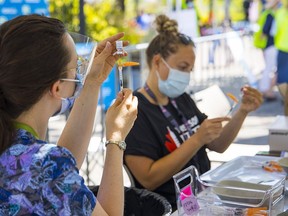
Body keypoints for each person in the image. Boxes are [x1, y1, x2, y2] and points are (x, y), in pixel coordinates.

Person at [0, 14, 138, 215]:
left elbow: (59, 172)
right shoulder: (47, 163)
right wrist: (116, 139)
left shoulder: (22, 149)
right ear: (56, 88)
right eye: (77, 67)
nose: (79, 74)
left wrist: (93, 82)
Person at [124, 14, 263, 211]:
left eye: (190, 69)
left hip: (203, 200)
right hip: (168, 208)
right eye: (182, 68)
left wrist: (242, 111)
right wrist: (196, 139)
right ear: (157, 62)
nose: (187, 75)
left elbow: (217, 144)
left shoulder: (181, 99)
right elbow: (148, 178)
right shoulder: (135, 111)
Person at [254, 0, 279, 101]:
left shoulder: (266, 13)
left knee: (269, 69)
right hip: (271, 46)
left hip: (269, 46)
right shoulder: (271, 14)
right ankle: (265, 91)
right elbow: (265, 31)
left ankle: (265, 90)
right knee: (270, 69)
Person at [273, 0, 288, 115]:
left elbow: (274, 31)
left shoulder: (280, 13)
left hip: (283, 48)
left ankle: (286, 99)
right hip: (283, 48)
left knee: (282, 77)